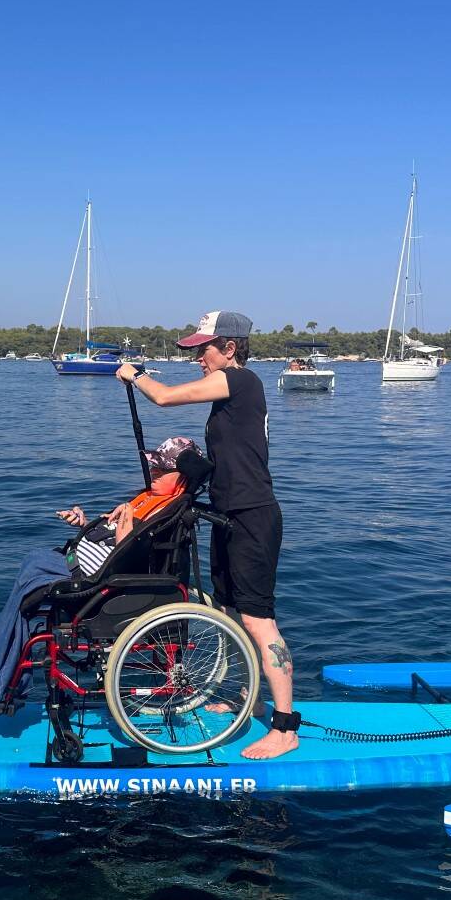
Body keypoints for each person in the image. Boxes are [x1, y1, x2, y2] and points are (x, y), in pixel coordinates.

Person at [115, 310, 296, 760]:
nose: (198, 358)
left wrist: (135, 374)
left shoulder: (241, 380)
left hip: (253, 517)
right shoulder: (228, 394)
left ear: (229, 349)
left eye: (204, 349)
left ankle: (285, 727)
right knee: (230, 611)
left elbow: (163, 397)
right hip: (227, 515)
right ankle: (250, 698)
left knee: (259, 619)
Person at [0, 437, 202, 711]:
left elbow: (126, 554)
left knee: (28, 586)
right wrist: (85, 523)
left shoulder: (167, 509)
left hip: (97, 580)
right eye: (154, 466)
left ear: (183, 477)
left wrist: (126, 522)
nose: (154, 472)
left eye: (163, 469)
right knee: (28, 587)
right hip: (83, 564)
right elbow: (110, 538)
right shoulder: (149, 499)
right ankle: (3, 684)